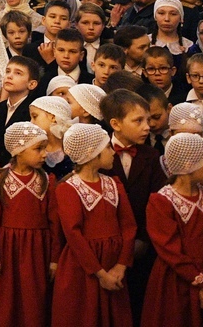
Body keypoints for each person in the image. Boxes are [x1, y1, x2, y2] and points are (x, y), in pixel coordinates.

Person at [140, 133, 203, 326]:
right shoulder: (162, 201)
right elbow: (168, 247)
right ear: (188, 166)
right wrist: (200, 281)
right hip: (175, 280)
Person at [52, 123, 136, 326]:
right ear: (92, 153)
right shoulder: (68, 189)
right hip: (85, 267)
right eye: (107, 147)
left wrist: (120, 265)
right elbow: (74, 234)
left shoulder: (113, 183)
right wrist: (100, 273)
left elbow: (128, 225)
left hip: (113, 263)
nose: (113, 152)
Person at [103, 88, 168, 318]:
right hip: (106, 249)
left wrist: (143, 240)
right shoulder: (98, 154)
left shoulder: (152, 157)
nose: (147, 126)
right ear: (116, 123)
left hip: (142, 249)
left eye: (148, 120)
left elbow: (158, 204)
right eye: (138, 121)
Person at [0, 122, 60, 327]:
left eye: (45, 148)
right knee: (6, 295)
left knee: (33, 296)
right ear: (18, 151)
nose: (45, 154)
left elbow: (54, 223)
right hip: (7, 247)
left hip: (37, 250)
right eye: (38, 149)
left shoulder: (47, 180)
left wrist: (54, 259)